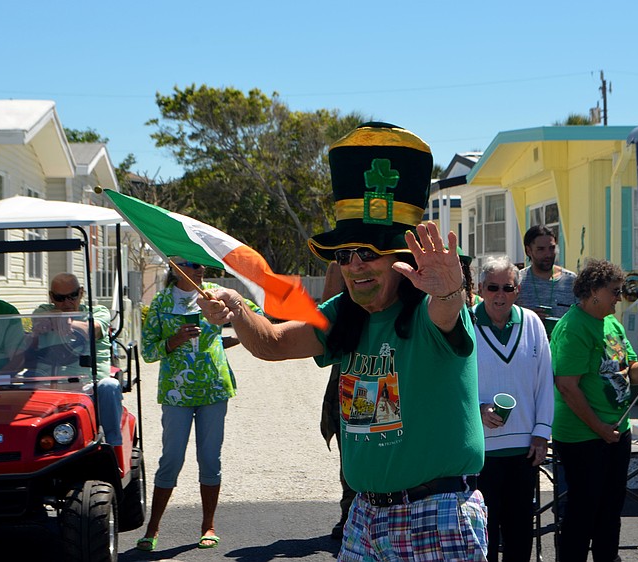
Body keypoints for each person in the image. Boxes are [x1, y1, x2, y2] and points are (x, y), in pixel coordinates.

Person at [201, 122, 488, 561]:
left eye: (369, 253)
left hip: (436, 513)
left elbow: (445, 313)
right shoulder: (345, 313)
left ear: (401, 259)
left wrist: (450, 291)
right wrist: (237, 307)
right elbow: (273, 343)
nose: (355, 265)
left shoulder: (429, 309)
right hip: (364, 516)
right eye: (344, 255)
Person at [550, 258, 638, 562]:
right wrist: (599, 428)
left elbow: (630, 372)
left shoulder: (611, 323)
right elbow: (567, 386)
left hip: (615, 431)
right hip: (583, 435)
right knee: (583, 512)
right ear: (593, 291)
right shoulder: (574, 327)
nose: (620, 297)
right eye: (615, 291)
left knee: (610, 510)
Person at [137, 257, 261, 552]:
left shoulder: (216, 295)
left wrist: (236, 333)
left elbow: (256, 315)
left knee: (210, 459)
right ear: (176, 267)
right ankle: (152, 529)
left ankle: (209, 526)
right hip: (176, 393)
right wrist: (175, 340)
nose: (200, 268)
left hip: (213, 389)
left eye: (201, 263)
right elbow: (148, 351)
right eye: (192, 264)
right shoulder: (162, 302)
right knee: (171, 459)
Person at [474, 255, 553, 562]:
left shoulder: (532, 323)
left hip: (524, 449)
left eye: (507, 288)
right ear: (481, 288)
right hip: (481, 450)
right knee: (483, 535)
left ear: (517, 290)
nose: (500, 295)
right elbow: (452, 383)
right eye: (492, 287)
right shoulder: (465, 323)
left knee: (520, 533)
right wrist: (479, 409)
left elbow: (545, 382)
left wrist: (542, 433)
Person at [31, 273, 122, 446]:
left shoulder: (97, 312)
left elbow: (93, 329)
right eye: (60, 298)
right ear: (51, 297)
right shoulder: (44, 311)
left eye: (72, 296)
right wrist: (50, 319)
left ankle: (112, 446)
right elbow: (37, 321)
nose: (66, 302)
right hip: (51, 386)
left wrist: (69, 323)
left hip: (89, 387)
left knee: (109, 386)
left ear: (81, 293)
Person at [318, 261, 356, 541]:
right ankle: (350, 511)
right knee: (350, 444)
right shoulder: (339, 265)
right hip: (348, 368)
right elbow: (325, 317)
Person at [516, 225, 577, 329]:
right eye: (541, 249)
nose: (548, 254)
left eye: (552, 248)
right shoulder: (517, 281)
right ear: (528, 250)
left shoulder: (571, 281)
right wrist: (528, 318)